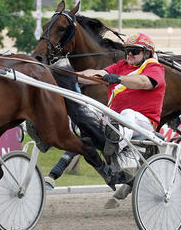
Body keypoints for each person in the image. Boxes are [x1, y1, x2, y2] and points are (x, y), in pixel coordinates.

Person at [70, 32, 166, 207]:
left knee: (127, 113)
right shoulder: (121, 65)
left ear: (147, 53)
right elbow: (95, 74)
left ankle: (115, 144)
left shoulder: (154, 68)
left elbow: (144, 82)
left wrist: (118, 78)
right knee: (86, 113)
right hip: (116, 120)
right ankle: (109, 140)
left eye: (134, 51)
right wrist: (67, 75)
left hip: (143, 124)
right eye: (127, 51)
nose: (129, 54)